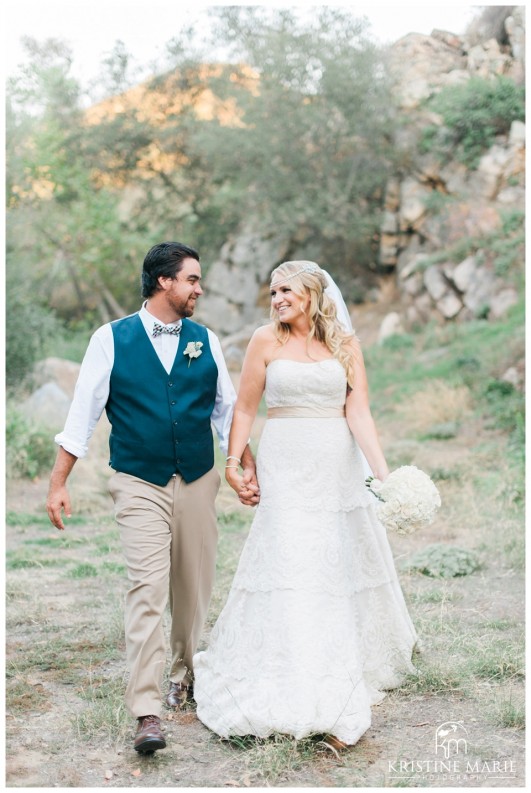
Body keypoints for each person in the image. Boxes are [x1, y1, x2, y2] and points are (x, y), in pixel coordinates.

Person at [193, 260, 418, 747]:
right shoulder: (264, 341)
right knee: (292, 557)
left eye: (287, 290)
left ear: (314, 293)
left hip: (336, 464)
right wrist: (234, 463)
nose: (277, 299)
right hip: (286, 464)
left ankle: (334, 664)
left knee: (329, 560)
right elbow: (246, 407)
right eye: (272, 291)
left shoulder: (346, 344)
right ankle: (289, 664)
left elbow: (358, 412)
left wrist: (385, 475)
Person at [46, 241, 258, 755]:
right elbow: (84, 413)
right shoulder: (111, 339)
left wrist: (242, 463)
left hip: (198, 477)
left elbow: (227, 412)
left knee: (193, 584)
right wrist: (58, 481)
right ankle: (147, 711)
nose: (199, 289)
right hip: (138, 480)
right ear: (164, 281)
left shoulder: (203, 339)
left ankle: (184, 673)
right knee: (146, 587)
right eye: (192, 280)